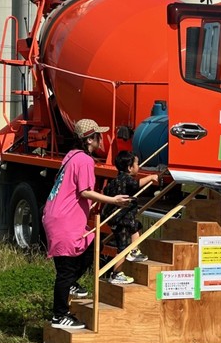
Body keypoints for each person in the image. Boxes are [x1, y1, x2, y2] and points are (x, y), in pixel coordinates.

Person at [42, 119, 131, 330]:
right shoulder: (85, 160)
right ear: (90, 139)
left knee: (90, 245)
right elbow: (84, 191)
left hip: (56, 216)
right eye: (99, 135)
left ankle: (71, 284)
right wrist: (114, 200)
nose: (102, 139)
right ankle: (59, 315)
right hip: (64, 221)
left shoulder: (71, 156)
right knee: (65, 271)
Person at [101, 151, 159, 282]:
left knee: (136, 226)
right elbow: (136, 185)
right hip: (122, 219)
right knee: (122, 247)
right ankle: (116, 274)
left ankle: (134, 250)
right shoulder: (127, 179)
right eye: (137, 164)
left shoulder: (115, 180)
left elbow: (106, 191)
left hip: (121, 219)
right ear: (129, 168)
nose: (138, 166)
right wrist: (150, 177)